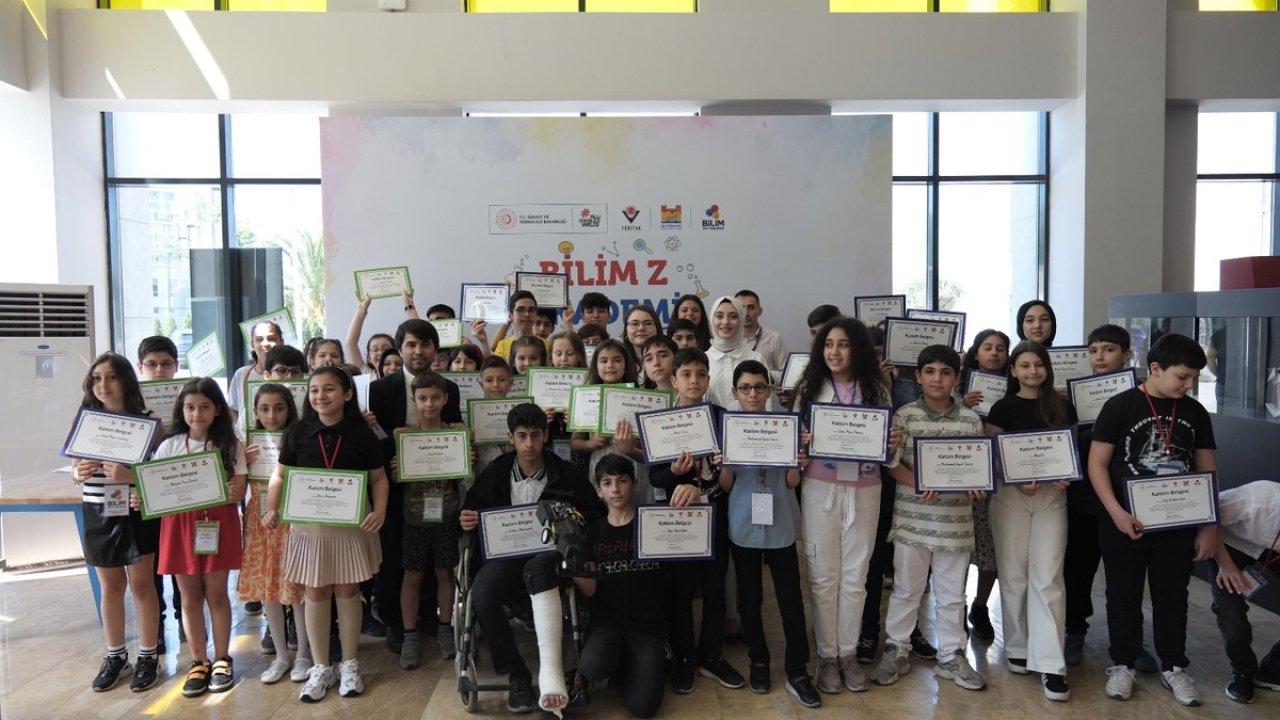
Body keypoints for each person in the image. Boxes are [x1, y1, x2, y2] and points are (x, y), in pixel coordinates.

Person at [1089, 333, 1219, 706]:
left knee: (1172, 595)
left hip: (1177, 521)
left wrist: (1209, 525)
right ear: (1155, 369)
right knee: (1122, 593)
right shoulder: (1120, 406)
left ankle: (1174, 666)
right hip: (1124, 520)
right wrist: (1116, 512)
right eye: (1182, 377)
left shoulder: (1195, 412)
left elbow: (1207, 469)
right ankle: (1123, 663)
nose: (1188, 385)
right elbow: (1097, 465)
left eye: (1194, 378)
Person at [459, 403, 603, 714]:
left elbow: (594, 515)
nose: (529, 444)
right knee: (483, 591)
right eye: (522, 436)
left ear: (546, 436)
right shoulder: (496, 472)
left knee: (539, 567)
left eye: (535, 435)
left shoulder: (567, 474)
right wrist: (467, 520)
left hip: (550, 558)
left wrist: (572, 522)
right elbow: (471, 510)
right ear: (510, 437)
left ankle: (552, 672)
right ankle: (516, 675)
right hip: (506, 558)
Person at [263, 366, 390, 702]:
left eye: (330, 388)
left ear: (347, 394)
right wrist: (271, 508)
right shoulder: (297, 432)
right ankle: (321, 666)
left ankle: (349, 663)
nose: (321, 395)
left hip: (351, 525)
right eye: (315, 389)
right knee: (315, 592)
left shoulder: (362, 433)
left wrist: (379, 511)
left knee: (348, 590)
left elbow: (378, 479)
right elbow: (280, 476)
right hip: (309, 527)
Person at [873, 344, 987, 691]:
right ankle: (897, 649)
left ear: (957, 379)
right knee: (907, 590)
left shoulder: (970, 420)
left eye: (946, 372)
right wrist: (918, 482)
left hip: (956, 526)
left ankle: (951, 656)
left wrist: (977, 486)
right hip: (913, 523)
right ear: (918, 377)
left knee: (952, 595)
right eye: (931, 372)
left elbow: (978, 468)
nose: (938, 379)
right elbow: (891, 464)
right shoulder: (904, 416)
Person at [795, 317, 898, 694]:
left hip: (865, 489)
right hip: (820, 488)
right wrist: (800, 444)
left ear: (857, 349)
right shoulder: (809, 387)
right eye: (828, 344)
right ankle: (827, 656)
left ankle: (848, 654)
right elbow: (795, 445)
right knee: (823, 576)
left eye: (843, 344)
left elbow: (889, 450)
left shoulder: (877, 389)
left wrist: (893, 443)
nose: (834, 352)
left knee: (856, 575)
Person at [723, 360, 822, 707]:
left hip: (780, 519)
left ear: (769, 390)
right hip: (743, 520)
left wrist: (797, 462)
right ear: (735, 392)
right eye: (745, 388)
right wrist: (725, 462)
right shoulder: (729, 428)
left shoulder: (787, 426)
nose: (752, 394)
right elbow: (726, 484)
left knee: (790, 599)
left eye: (759, 387)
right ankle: (759, 660)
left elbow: (792, 483)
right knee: (749, 599)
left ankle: (797, 670)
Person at [985, 341, 1078, 701]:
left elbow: (1071, 452)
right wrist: (1016, 481)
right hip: (1010, 498)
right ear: (1013, 370)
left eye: (1038, 365)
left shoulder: (1062, 406)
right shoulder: (1002, 407)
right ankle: (1017, 647)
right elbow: (993, 457)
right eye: (1024, 365)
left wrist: (1066, 476)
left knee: (1048, 577)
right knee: (1013, 574)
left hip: (1052, 499)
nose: (1032, 371)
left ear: (1046, 368)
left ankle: (1052, 664)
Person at [649, 348, 743, 693]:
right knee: (681, 591)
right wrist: (675, 472)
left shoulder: (721, 417)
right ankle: (685, 657)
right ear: (673, 380)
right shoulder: (661, 419)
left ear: (708, 379)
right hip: (678, 520)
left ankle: (711, 655)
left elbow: (732, 470)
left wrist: (719, 468)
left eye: (701, 374)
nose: (694, 381)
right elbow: (655, 476)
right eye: (686, 374)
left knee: (715, 588)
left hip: (715, 513)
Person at [369, 319, 464, 654]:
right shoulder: (380, 389)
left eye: (425, 344)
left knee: (439, 565)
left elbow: (454, 435)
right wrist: (394, 465)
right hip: (395, 489)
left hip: (439, 491)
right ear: (400, 348)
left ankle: (431, 620)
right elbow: (378, 442)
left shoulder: (450, 388)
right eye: (411, 344)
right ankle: (397, 624)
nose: (418, 351)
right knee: (396, 559)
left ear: (435, 349)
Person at [1065, 324, 1156, 670]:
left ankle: (1130, 642)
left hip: (1128, 501)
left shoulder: (1143, 396)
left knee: (1126, 579)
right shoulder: (1074, 397)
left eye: (1108, 349)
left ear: (1126, 354)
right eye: (1093, 350)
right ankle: (1074, 631)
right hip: (1083, 500)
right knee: (1077, 571)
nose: (1100, 357)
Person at [149, 378, 248, 697]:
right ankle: (198, 661)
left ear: (217, 410)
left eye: (204, 407)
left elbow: (240, 488)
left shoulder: (230, 445)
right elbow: (156, 487)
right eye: (190, 407)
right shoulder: (169, 446)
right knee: (189, 596)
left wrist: (232, 490)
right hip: (179, 526)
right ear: (181, 410)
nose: (197, 413)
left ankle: (222, 658)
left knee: (217, 594)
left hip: (217, 524)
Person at [70, 353, 162, 692]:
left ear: (126, 380)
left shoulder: (149, 422)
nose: (103, 385)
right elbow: (75, 468)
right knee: (110, 587)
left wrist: (131, 475)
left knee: (142, 585)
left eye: (111, 377)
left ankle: (148, 655)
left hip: (136, 509)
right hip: (98, 509)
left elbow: (160, 471)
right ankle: (116, 655)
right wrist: (78, 473)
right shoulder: (85, 420)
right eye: (97, 378)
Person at [561, 454, 668, 718]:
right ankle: (619, 660)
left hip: (648, 626)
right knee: (593, 667)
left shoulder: (652, 523)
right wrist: (571, 561)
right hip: (607, 622)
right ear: (598, 491)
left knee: (642, 708)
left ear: (634, 484)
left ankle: (643, 661)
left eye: (622, 481)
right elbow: (590, 590)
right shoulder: (592, 532)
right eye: (607, 483)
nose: (616, 489)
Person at [239, 383, 313, 684]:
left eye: (279, 408)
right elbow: (235, 483)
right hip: (260, 520)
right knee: (268, 588)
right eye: (265, 408)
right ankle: (281, 655)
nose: (272, 415)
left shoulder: (300, 438)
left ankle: (304, 653)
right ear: (255, 412)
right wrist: (241, 460)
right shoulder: (247, 445)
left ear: (290, 410)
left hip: (292, 517)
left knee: (296, 589)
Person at [392, 372, 464, 669]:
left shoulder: (457, 433)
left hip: (447, 513)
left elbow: (464, 474)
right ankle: (410, 635)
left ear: (446, 399)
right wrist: (397, 470)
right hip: (414, 516)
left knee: (445, 573)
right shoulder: (402, 435)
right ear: (414, 400)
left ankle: (445, 627)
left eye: (435, 398)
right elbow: (395, 477)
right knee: (413, 575)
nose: (429, 404)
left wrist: (466, 457)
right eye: (423, 398)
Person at [959, 328, 1010, 642]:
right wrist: (962, 405)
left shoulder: (1015, 387)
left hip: (1000, 479)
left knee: (992, 548)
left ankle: (980, 605)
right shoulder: (957, 385)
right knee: (961, 548)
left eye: (1000, 348)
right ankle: (958, 605)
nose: (994, 353)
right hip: (964, 477)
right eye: (988, 347)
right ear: (976, 352)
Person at [1208, 480, 1280, 703]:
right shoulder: (1259, 500)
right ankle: (1243, 671)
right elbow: (1206, 520)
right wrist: (1225, 565)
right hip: (1226, 543)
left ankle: (1272, 671)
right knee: (1229, 611)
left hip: (1271, 549)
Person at [135, 335, 183, 654]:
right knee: (150, 564)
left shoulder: (187, 401)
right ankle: (157, 628)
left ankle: (185, 619)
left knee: (181, 561)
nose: (159, 370)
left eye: (166, 364)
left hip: (179, 492)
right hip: (144, 496)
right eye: (151, 364)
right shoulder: (132, 408)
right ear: (140, 367)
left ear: (176, 366)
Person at [705, 296, 767, 409]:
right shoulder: (704, 361)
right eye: (719, 316)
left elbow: (765, 403)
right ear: (712, 320)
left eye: (733, 316)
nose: (725, 322)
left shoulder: (756, 359)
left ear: (741, 320)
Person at [228, 320, 283, 421]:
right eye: (259, 339)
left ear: (281, 342)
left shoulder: (290, 375)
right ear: (252, 344)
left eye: (271, 338)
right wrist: (238, 428)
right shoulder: (241, 374)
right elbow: (233, 409)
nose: (265, 343)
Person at [734, 290, 789, 373]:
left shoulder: (774, 339)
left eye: (751, 307)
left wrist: (765, 375)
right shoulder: (728, 340)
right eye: (741, 308)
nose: (746, 313)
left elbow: (785, 373)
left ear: (760, 311)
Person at [488, 290, 540, 359]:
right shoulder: (503, 346)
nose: (527, 314)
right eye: (520, 310)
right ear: (511, 315)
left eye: (531, 310)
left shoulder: (547, 344)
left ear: (536, 314)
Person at [621, 305, 662, 371]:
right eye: (635, 324)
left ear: (657, 328)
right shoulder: (620, 363)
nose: (641, 328)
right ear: (626, 331)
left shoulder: (671, 360)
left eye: (648, 323)